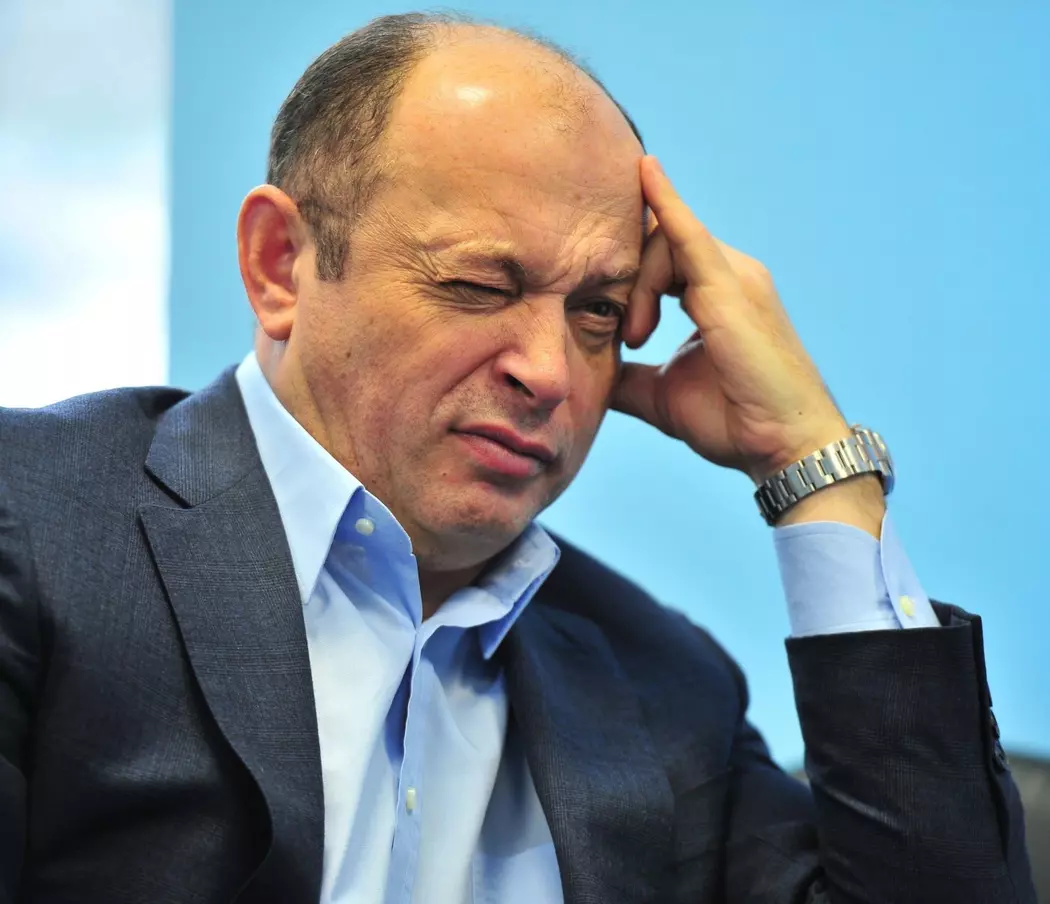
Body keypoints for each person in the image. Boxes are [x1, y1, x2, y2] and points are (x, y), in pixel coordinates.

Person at [0, 11, 1036, 904]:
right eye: (480, 286)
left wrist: (814, 465)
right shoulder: (36, 530)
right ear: (282, 265)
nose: (549, 371)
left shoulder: (663, 684)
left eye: (597, 311)